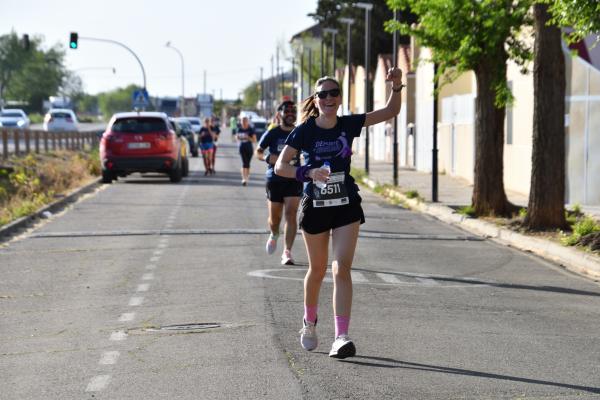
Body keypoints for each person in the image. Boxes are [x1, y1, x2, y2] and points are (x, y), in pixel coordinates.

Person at [274, 68, 404, 359]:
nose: (329, 98)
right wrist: (307, 172)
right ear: (317, 100)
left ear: (340, 98)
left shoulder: (348, 124)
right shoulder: (305, 130)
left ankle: (341, 336)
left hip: (345, 203)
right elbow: (280, 166)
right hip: (316, 206)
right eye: (324, 94)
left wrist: (397, 85)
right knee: (317, 270)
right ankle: (309, 323)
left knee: (341, 268)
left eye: (334, 93)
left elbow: (390, 111)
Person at [256, 101, 302, 265]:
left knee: (291, 214)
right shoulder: (273, 133)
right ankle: (274, 233)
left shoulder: (300, 132)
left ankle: (287, 252)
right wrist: (268, 158)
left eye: (293, 111)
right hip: (274, 179)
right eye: (286, 110)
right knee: (275, 219)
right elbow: (259, 151)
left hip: (294, 177)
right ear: (279, 114)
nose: (290, 113)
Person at [236, 116, 256, 186]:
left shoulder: (250, 129)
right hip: (242, 148)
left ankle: (246, 178)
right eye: (242, 121)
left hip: (249, 148)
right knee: (244, 163)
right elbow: (237, 138)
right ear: (241, 122)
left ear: (247, 122)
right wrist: (238, 137)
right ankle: (244, 179)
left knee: (247, 164)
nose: (243, 123)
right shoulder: (239, 129)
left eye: (245, 121)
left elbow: (254, 140)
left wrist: (248, 137)